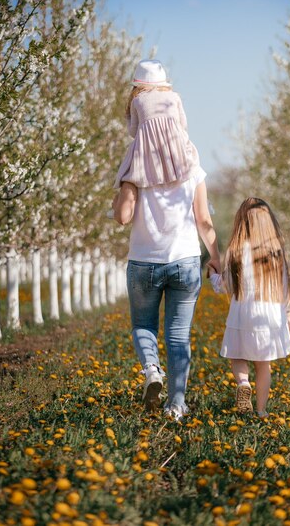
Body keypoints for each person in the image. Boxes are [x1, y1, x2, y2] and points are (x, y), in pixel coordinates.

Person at [113, 168, 220, 421]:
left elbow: (122, 216)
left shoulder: (135, 167)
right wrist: (216, 256)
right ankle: (176, 406)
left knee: (143, 325)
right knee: (179, 335)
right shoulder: (192, 166)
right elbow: (203, 219)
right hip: (185, 260)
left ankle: (152, 369)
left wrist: (117, 200)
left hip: (144, 260)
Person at [209, 198, 290, 418]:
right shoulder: (277, 254)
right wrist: (287, 314)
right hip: (269, 317)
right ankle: (261, 410)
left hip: (242, 315)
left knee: (238, 356)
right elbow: (285, 287)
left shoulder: (237, 252)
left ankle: (243, 383)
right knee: (263, 365)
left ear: (241, 222)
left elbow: (223, 286)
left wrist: (212, 274)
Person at [113, 59, 199, 190]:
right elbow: (183, 125)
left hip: (150, 156)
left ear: (137, 85)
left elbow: (133, 132)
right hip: (176, 151)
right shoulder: (174, 97)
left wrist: (129, 118)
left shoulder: (137, 101)